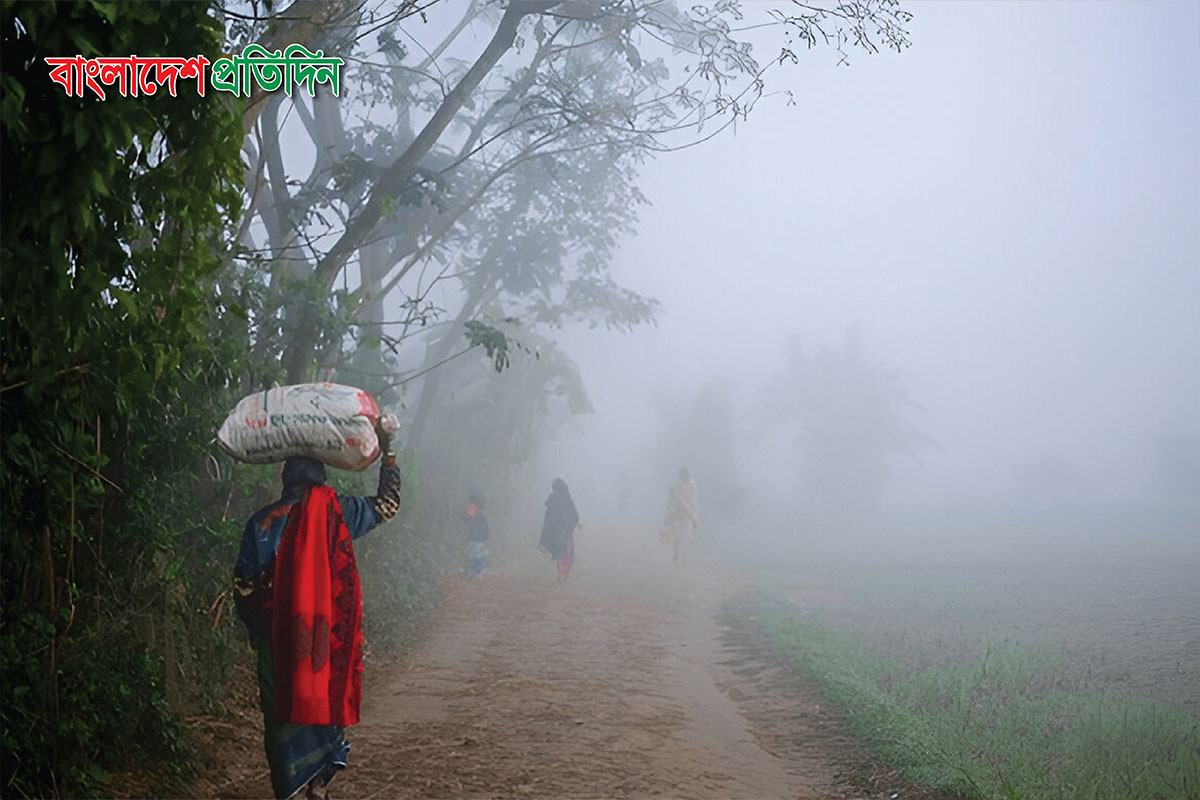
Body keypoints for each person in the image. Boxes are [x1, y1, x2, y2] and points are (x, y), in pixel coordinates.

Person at [233, 421, 401, 800]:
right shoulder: (337, 512)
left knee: (281, 714)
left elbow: (243, 587)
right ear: (321, 477)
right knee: (323, 702)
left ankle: (292, 787)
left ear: (285, 478)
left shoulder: (261, 523)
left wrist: (263, 628)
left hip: (275, 642)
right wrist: (388, 452)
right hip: (325, 640)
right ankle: (318, 784)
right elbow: (388, 505)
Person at [538, 478, 580, 581]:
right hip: (566, 532)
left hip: (556, 531)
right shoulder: (567, 498)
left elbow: (549, 516)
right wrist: (571, 525)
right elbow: (574, 515)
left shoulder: (552, 499)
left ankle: (560, 574)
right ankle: (565, 574)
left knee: (559, 553)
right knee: (567, 553)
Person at [664, 467, 699, 567]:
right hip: (677, 515)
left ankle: (684, 559)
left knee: (685, 538)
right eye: (682, 475)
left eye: (685, 475)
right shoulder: (676, 487)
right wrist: (669, 516)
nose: (684, 477)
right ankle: (676, 555)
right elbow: (671, 503)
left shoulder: (693, 487)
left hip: (687, 516)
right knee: (676, 537)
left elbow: (695, 503)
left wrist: (695, 518)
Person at [465, 486, 490, 577]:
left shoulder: (471, 510)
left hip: (474, 537)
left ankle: (474, 571)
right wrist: (486, 537)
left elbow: (468, 521)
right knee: (479, 554)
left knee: (474, 554)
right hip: (477, 538)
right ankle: (477, 571)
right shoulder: (481, 514)